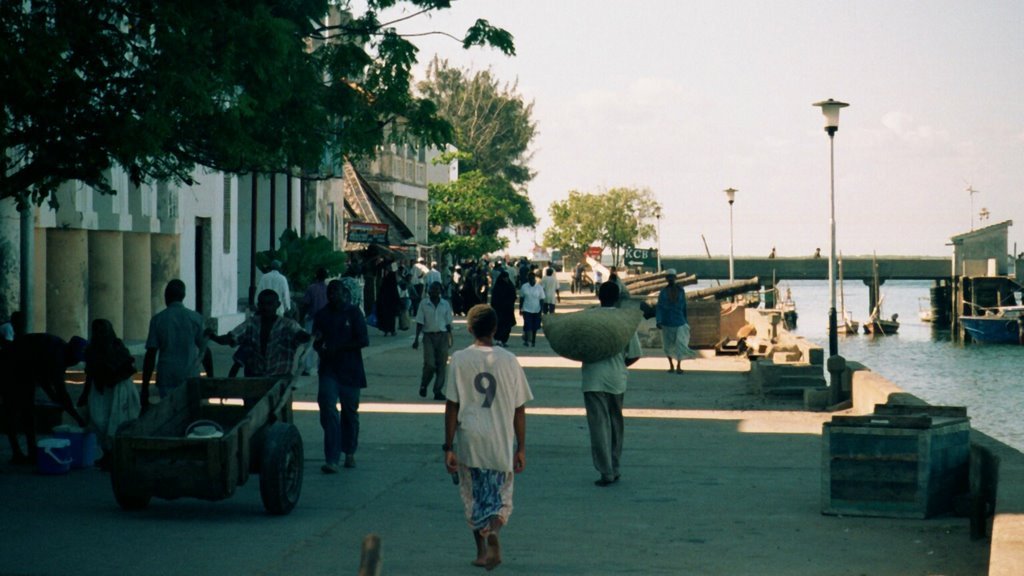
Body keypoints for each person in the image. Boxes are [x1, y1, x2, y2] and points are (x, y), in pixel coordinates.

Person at [444, 304, 533, 571]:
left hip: (471, 441)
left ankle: (481, 552)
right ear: (495, 329)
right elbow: (519, 408)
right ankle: (493, 530)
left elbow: (452, 406)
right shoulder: (510, 361)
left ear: (469, 329)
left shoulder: (459, 359)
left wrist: (448, 446)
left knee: (474, 498)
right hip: (500, 442)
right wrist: (521, 447)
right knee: (500, 498)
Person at [581, 282, 642, 486]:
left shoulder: (589, 318)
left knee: (599, 425)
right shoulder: (624, 321)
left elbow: (576, 345)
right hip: (616, 379)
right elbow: (635, 354)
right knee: (616, 423)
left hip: (592, 378)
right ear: (617, 299)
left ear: (598, 296)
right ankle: (615, 467)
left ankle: (605, 471)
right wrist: (620, 365)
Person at [2, 324, 88, 464]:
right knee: (16, 411)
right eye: (76, 359)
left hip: (23, 368)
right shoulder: (58, 356)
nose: (75, 363)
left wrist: (53, 396)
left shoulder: (59, 349)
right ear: (72, 353)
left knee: (27, 411)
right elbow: (60, 391)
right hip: (11, 368)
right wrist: (77, 418)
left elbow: (44, 378)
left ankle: (30, 452)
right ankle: (18, 453)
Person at [313, 280, 369, 472]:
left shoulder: (353, 313)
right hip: (329, 370)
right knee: (328, 408)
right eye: (329, 293)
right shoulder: (322, 315)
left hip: (351, 371)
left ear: (344, 294)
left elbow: (364, 340)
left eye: (335, 292)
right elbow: (316, 340)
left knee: (350, 413)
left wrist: (340, 347)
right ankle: (331, 458)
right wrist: (320, 345)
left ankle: (349, 450)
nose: (332, 296)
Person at [78, 318, 140, 470]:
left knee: (117, 423)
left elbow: (126, 366)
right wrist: (85, 394)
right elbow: (90, 373)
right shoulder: (92, 350)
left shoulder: (117, 346)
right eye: (98, 331)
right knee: (99, 422)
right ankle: (108, 455)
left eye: (103, 330)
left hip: (119, 389)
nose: (101, 333)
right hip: (101, 390)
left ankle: (114, 456)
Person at [142, 279, 212, 409]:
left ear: (166, 295)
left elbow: (151, 354)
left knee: (169, 412)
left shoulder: (158, 320)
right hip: (189, 374)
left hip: (167, 376)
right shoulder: (195, 318)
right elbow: (205, 350)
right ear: (183, 296)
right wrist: (211, 378)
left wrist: (145, 386)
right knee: (189, 411)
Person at [208, 289, 310, 377]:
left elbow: (301, 335)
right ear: (258, 305)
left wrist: (309, 336)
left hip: (279, 377)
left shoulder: (288, 325)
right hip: (255, 377)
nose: (266, 307)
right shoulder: (251, 323)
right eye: (262, 304)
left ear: (277, 305)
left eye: (269, 304)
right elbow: (231, 338)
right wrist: (213, 336)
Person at [413, 281, 454, 400]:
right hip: (428, 337)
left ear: (440, 292)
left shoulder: (445, 304)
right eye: (432, 290)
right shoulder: (423, 304)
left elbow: (448, 323)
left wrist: (450, 337)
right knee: (430, 364)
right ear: (428, 291)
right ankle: (424, 384)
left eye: (436, 290)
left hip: (442, 336)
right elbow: (419, 322)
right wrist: (416, 339)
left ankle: (438, 390)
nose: (434, 292)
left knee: (442, 365)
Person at [655, 269, 694, 374]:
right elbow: (659, 307)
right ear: (666, 279)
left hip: (680, 321)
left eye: (672, 277)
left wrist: (686, 321)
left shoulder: (681, 291)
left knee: (680, 344)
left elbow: (684, 306)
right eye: (669, 277)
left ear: (675, 278)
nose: (671, 279)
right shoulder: (663, 292)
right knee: (668, 346)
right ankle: (671, 365)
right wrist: (658, 320)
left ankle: (679, 365)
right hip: (667, 322)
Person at [300, 267, 331, 375]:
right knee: (323, 344)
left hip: (312, 318)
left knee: (309, 344)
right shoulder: (328, 289)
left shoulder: (311, 288)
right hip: (326, 320)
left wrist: (301, 318)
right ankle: (321, 367)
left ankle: (307, 368)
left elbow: (306, 304)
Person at [490, 270, 518, 347]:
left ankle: (504, 340)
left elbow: (513, 296)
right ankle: (498, 340)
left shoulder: (510, 285)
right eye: (504, 278)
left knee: (507, 326)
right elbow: (494, 299)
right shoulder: (497, 287)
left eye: (506, 277)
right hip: (499, 310)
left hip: (508, 310)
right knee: (499, 325)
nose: (506, 279)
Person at [519, 272, 545, 347]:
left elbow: (542, 299)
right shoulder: (524, 287)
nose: (531, 280)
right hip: (526, 309)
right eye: (529, 279)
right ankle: (526, 340)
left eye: (532, 279)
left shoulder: (539, 287)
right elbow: (521, 298)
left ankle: (533, 340)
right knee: (527, 324)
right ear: (528, 279)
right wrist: (520, 308)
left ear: (535, 279)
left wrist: (541, 310)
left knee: (535, 326)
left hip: (536, 309)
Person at [376, 261, 401, 336]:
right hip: (391, 299)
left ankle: (386, 330)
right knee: (391, 316)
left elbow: (381, 289)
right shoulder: (392, 276)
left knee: (385, 315)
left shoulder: (385, 278)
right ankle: (392, 330)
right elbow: (394, 289)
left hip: (385, 299)